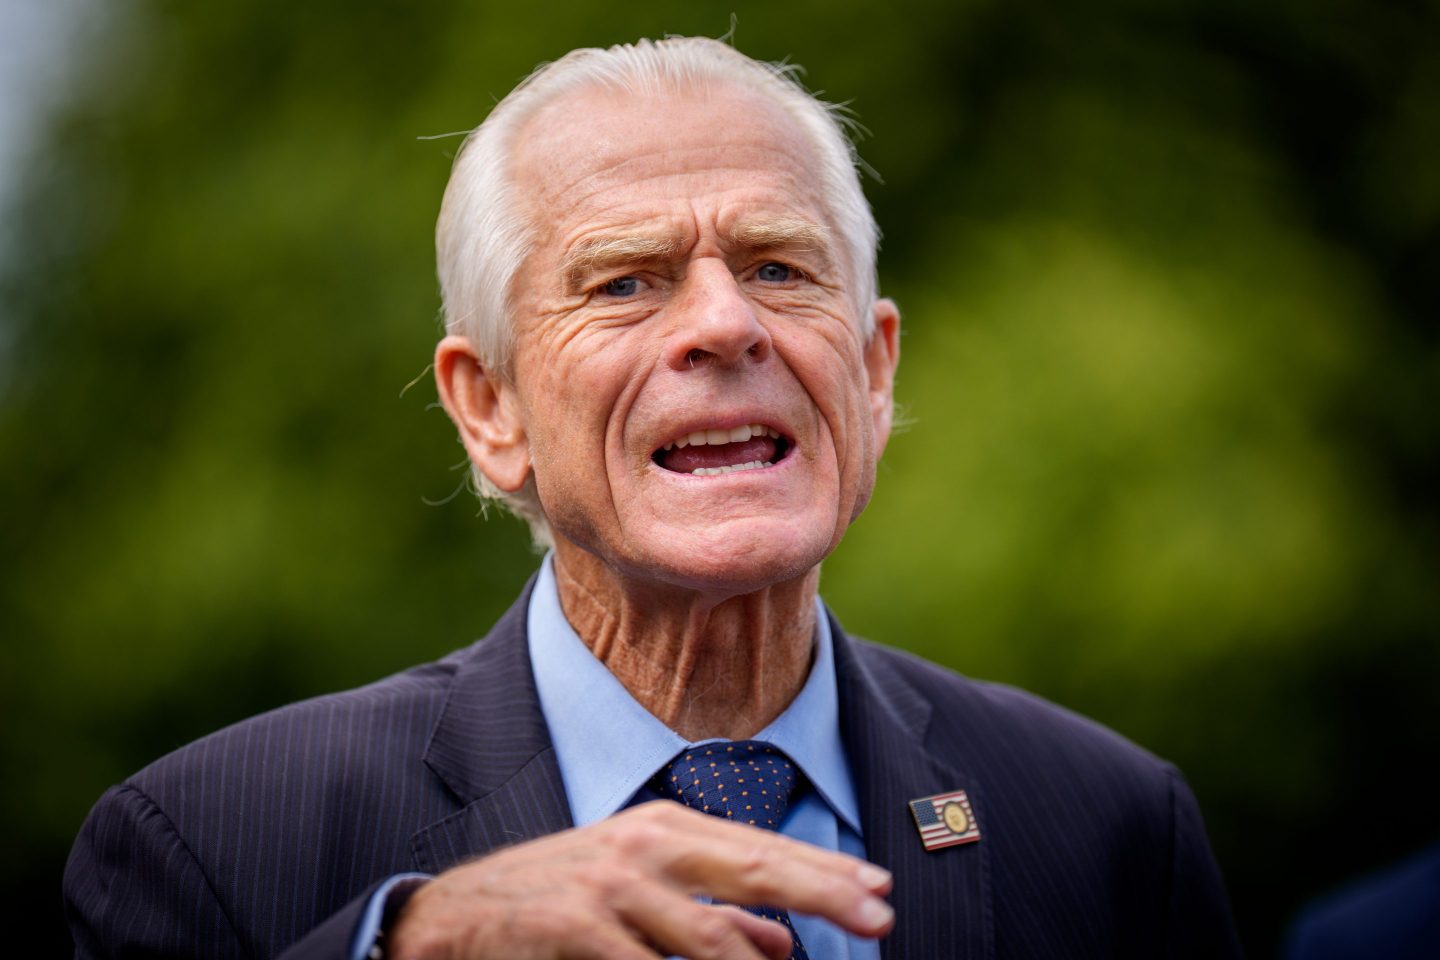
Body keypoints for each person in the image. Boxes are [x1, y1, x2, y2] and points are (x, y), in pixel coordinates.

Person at [64, 37, 1242, 960]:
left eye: (778, 266)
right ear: (491, 408)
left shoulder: (1110, 826)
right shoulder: (209, 841)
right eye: (626, 282)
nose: (726, 323)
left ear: (875, 373)